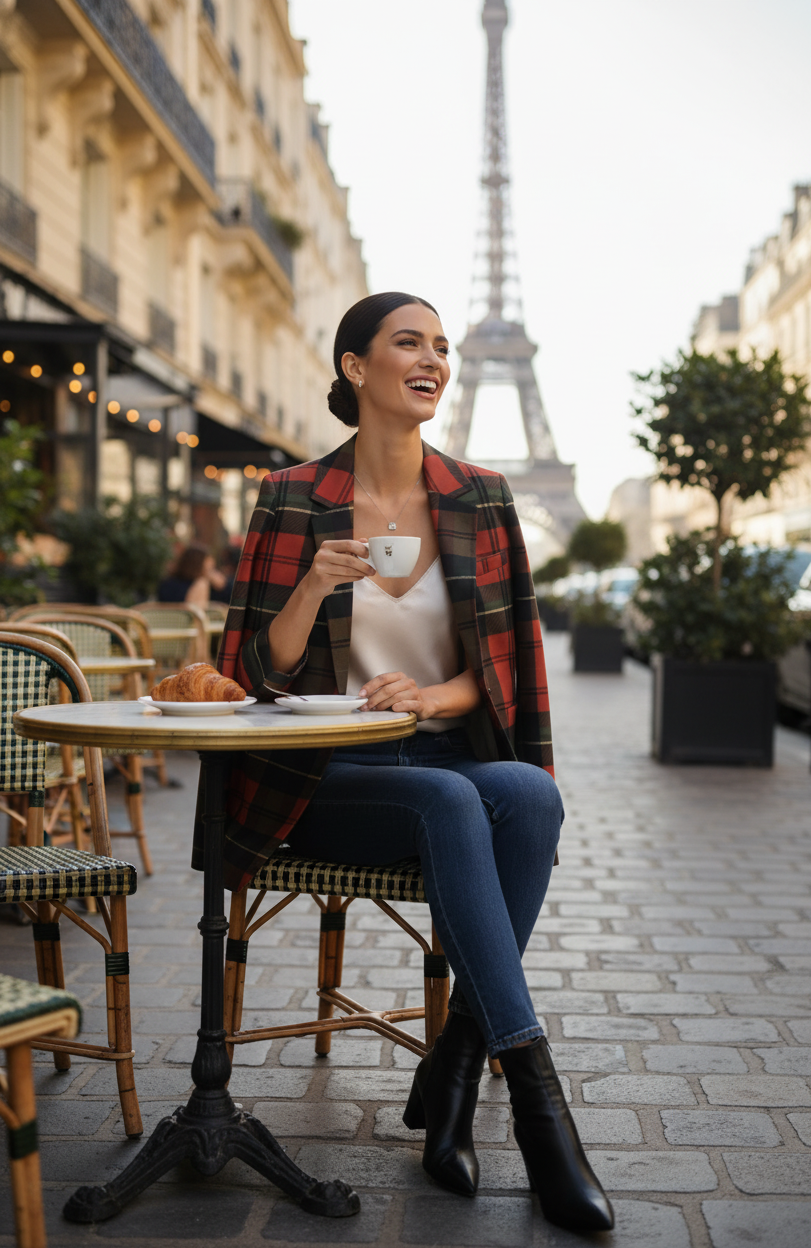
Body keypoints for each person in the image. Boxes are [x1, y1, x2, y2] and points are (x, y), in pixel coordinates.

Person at [213, 292, 614, 1233]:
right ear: (357, 369)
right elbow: (252, 675)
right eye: (409, 343)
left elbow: (503, 667)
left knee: (526, 795)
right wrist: (314, 580)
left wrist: (433, 697)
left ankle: (455, 1064)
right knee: (448, 802)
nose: (434, 358)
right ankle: (540, 1112)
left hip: (438, 748)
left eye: (442, 345)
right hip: (324, 771)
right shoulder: (291, 496)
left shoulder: (480, 495)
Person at [158, 544, 229, 606]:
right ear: (199, 566)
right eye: (209, 569)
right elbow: (197, 613)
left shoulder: (166, 583)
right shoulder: (201, 583)